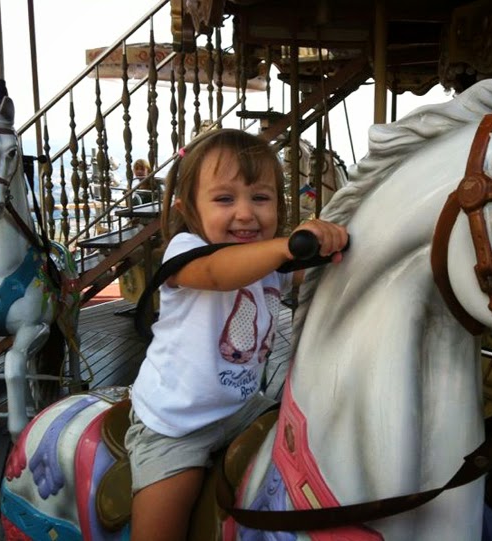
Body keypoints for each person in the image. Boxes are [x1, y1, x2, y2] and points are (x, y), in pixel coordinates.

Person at [124, 128, 348, 541]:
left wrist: (334, 247)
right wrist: (286, 247)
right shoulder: (186, 251)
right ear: (189, 209)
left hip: (242, 407)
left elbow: (314, 273)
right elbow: (218, 273)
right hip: (176, 422)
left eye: (260, 198)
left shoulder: (267, 261)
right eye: (225, 199)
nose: (246, 213)